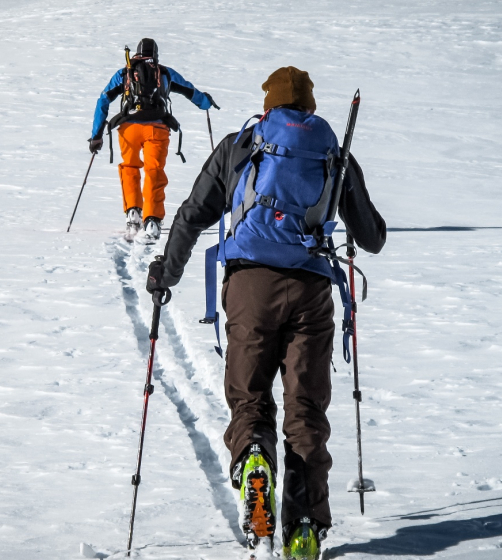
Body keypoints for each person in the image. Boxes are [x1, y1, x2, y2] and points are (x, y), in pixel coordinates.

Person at [145, 67, 386, 559]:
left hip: (249, 288)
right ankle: (304, 526)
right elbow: (373, 238)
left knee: (250, 398)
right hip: (313, 290)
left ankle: (255, 460)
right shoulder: (332, 152)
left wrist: (165, 276)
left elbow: (193, 213)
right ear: (310, 108)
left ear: (269, 105)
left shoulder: (241, 145)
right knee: (305, 410)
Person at [89, 38, 219, 241]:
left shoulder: (125, 73)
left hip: (128, 129)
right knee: (154, 171)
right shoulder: (165, 72)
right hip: (157, 129)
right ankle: (152, 221)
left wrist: (96, 135)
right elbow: (189, 90)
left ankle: (133, 212)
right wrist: (205, 102)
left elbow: (103, 99)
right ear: (156, 55)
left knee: (130, 167)